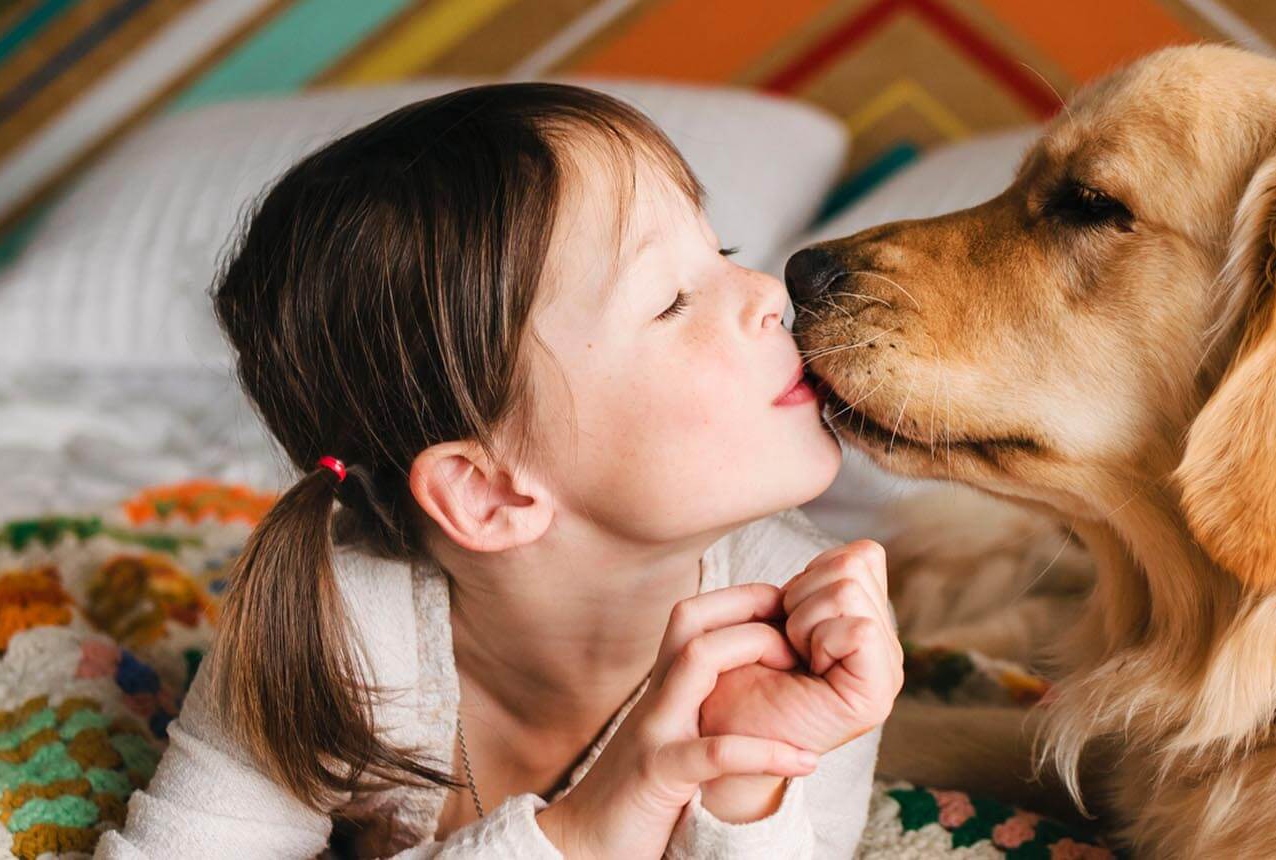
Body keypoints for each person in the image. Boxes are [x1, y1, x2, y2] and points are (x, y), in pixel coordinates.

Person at [97, 82, 900, 859]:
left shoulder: (811, 617)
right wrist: (580, 836)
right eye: (669, 300)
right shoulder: (333, 629)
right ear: (486, 493)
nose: (768, 289)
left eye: (722, 250)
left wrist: (748, 777)